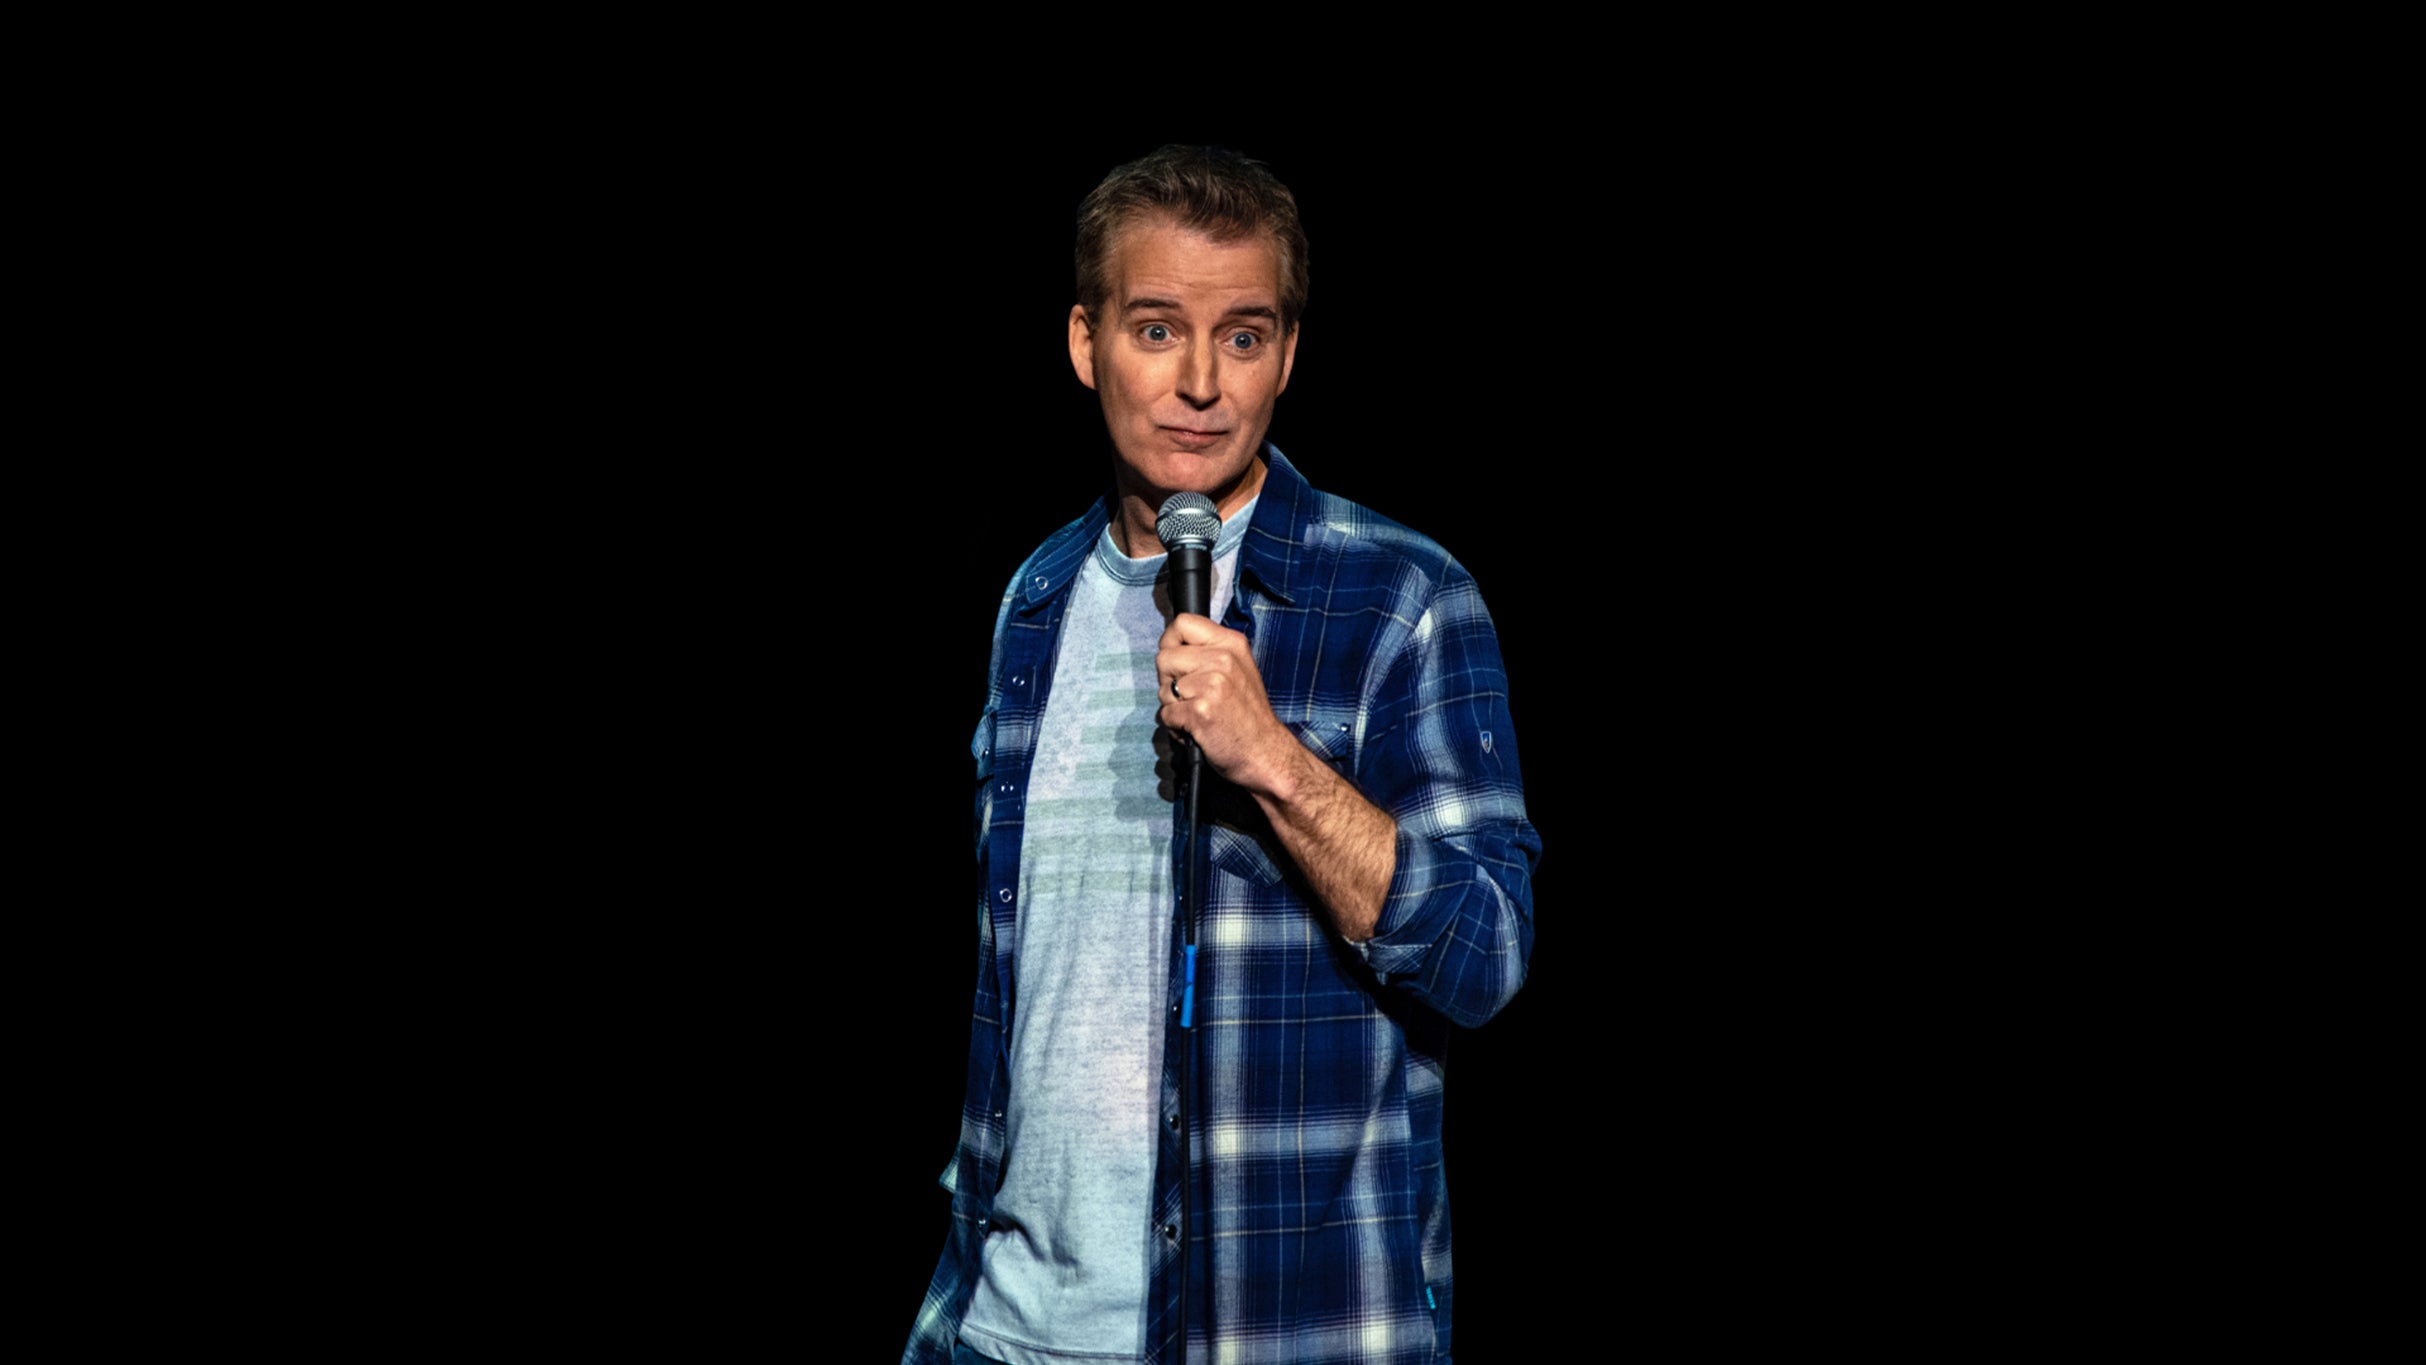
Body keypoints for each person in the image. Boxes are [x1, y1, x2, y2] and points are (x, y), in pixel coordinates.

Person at [904, 145, 1539, 1365]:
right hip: (1004, 1327)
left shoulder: (1400, 599)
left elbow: (1485, 957)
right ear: (1086, 343)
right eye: (1156, 330)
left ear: (1285, 355)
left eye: (1241, 337)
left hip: (1277, 1329)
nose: (1197, 383)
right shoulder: (1034, 599)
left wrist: (1275, 763)